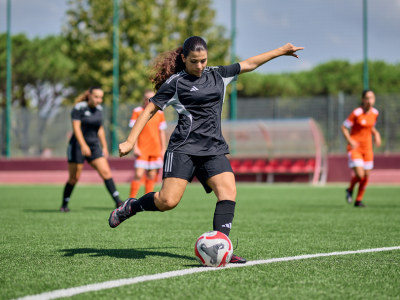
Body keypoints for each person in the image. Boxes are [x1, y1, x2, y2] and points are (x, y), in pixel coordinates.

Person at [108, 36, 303, 263]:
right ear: (183, 58)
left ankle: (221, 248)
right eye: (194, 61)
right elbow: (150, 109)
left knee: (228, 192)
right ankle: (132, 206)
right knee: (167, 201)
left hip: (213, 148)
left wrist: (280, 50)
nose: (199, 66)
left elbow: (249, 64)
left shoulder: (218, 75)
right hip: (184, 148)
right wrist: (131, 141)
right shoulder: (176, 83)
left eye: (203, 60)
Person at [61, 87, 123, 212]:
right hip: (77, 145)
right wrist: (83, 145)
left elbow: (99, 129)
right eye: (96, 97)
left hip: (94, 145)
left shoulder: (99, 109)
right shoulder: (79, 108)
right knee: (74, 177)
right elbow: (76, 128)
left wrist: (104, 146)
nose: (99, 100)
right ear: (89, 95)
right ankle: (64, 204)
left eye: (101, 97)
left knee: (106, 172)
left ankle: (118, 202)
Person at [341, 90, 381, 207]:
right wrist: (350, 141)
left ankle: (358, 200)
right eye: (367, 98)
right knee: (360, 175)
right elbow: (344, 127)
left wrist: (377, 134)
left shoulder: (375, 113)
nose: (369, 101)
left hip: (367, 148)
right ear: (363, 100)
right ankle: (350, 189)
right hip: (355, 148)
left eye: (372, 98)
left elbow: (370, 127)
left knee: (366, 175)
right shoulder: (357, 113)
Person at [129, 90, 167, 198]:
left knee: (151, 175)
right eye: (146, 98)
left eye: (151, 98)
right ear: (143, 99)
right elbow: (133, 131)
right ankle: (130, 199)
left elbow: (162, 132)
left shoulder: (160, 113)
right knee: (138, 174)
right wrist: (135, 147)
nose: (148, 101)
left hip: (155, 148)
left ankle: (145, 200)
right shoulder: (137, 111)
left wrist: (163, 149)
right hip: (142, 149)